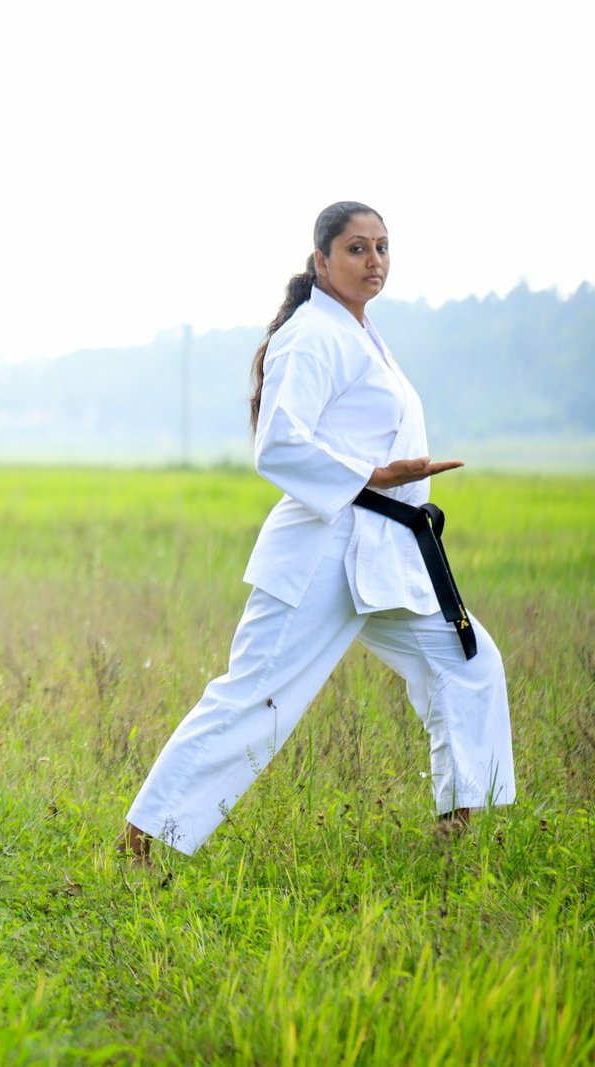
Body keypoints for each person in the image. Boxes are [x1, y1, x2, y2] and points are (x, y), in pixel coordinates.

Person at [121, 203, 514, 862]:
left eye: (383, 248)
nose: (374, 261)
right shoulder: (312, 334)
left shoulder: (361, 334)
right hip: (322, 549)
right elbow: (277, 445)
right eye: (357, 249)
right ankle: (143, 841)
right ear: (321, 261)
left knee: (468, 662)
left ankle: (461, 830)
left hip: (387, 551)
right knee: (257, 695)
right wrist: (376, 472)